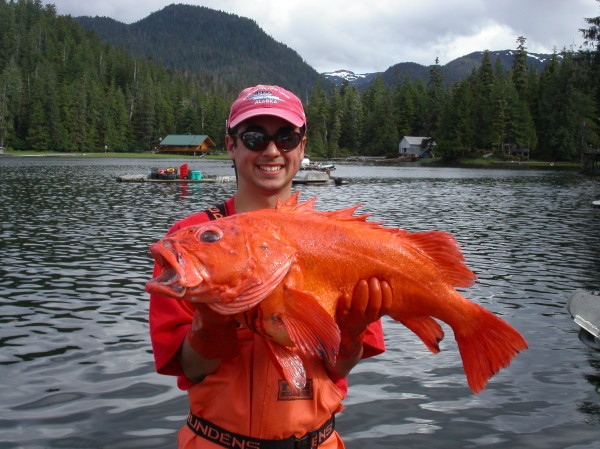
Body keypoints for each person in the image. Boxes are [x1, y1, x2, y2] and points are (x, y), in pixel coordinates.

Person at [149, 84, 390, 448]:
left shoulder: (342, 240)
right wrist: (211, 320)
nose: (272, 151)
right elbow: (191, 368)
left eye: (287, 137)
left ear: (302, 146)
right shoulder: (189, 239)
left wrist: (353, 332)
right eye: (255, 137)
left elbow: (339, 368)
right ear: (231, 145)